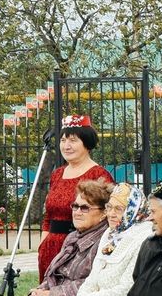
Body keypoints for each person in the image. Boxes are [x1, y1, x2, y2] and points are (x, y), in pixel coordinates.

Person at [35, 114, 113, 280]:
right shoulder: (57, 174)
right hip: (50, 249)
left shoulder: (99, 175)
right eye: (63, 140)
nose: (66, 146)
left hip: (80, 249)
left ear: (87, 143)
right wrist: (43, 245)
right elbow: (48, 216)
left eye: (73, 140)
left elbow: (108, 217)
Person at [70, 185, 152, 296]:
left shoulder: (144, 237)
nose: (111, 214)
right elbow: (91, 280)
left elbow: (126, 291)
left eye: (119, 209)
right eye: (109, 207)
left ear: (135, 210)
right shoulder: (111, 234)